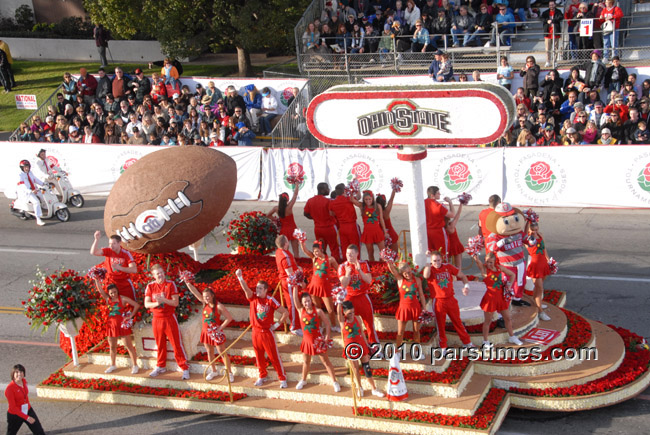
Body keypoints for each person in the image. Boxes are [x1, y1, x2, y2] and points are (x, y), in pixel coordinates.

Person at [235, 268, 289, 388]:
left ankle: (282, 378)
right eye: (257, 288)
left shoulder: (270, 300)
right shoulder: (253, 297)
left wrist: (277, 324)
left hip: (266, 332)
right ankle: (262, 375)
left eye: (260, 288)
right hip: (255, 332)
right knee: (259, 356)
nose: (257, 290)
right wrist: (240, 278)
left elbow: (285, 312)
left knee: (273, 356)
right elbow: (246, 290)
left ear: (265, 290)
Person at [144, 264, 190, 379]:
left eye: (161, 272)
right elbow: (146, 304)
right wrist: (157, 303)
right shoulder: (150, 286)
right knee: (160, 344)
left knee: (176, 343)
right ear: (153, 275)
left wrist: (164, 300)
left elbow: (175, 303)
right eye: (157, 273)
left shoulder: (170, 285)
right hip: (157, 319)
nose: (160, 275)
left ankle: (184, 367)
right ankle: (160, 365)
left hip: (169, 317)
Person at [183, 277, 234, 382]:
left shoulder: (219, 306)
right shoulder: (204, 303)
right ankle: (213, 370)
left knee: (221, 352)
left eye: (208, 296)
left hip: (215, 333)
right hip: (206, 333)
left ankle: (229, 373)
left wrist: (220, 328)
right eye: (204, 296)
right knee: (209, 351)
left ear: (212, 296)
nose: (206, 298)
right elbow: (196, 293)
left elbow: (229, 318)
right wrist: (187, 283)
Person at [422, 251, 474, 350]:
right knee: (441, 326)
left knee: (458, 322)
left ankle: (467, 342)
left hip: (451, 299)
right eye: (434, 261)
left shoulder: (448, 267)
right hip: (438, 301)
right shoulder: (430, 269)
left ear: (442, 259)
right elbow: (425, 275)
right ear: (431, 261)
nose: (437, 263)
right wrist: (428, 261)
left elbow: (463, 276)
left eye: (438, 260)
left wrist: (466, 286)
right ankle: (443, 347)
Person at [292, 286, 340, 391]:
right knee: (306, 361)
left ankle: (335, 382)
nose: (307, 303)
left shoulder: (318, 311)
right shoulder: (300, 311)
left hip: (318, 341)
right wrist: (294, 285)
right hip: (306, 341)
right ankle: (303, 380)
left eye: (308, 301)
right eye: (304, 302)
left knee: (326, 361)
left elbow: (327, 324)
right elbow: (295, 298)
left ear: (311, 300)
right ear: (302, 303)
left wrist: (327, 337)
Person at [473, 253, 523, 347]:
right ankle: (485, 342)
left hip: (501, 297)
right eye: (487, 262)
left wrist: (509, 286)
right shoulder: (484, 270)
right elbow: (478, 262)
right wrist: (475, 257)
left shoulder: (499, 267)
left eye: (491, 262)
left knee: (507, 318)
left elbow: (512, 274)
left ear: (495, 261)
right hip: (490, 299)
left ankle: (512, 336)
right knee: (488, 321)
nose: (489, 264)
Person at [337, 301, 384, 398]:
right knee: (355, 369)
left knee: (366, 367)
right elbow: (338, 313)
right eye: (349, 313)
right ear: (344, 313)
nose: (352, 315)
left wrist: (367, 345)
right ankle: (360, 387)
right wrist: (339, 301)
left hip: (361, 345)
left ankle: (373, 388)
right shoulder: (343, 321)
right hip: (351, 347)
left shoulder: (357, 318)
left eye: (353, 312)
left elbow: (362, 332)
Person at [92, 279, 140, 373]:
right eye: (111, 293)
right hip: (111, 326)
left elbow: (136, 305)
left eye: (115, 292)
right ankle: (113, 365)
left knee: (128, 346)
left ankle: (135, 365)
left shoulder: (123, 299)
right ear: (108, 293)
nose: (113, 294)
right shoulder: (108, 299)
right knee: (112, 346)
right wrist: (96, 280)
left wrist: (130, 316)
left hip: (122, 325)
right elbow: (100, 290)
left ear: (117, 291)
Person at [338, 244, 380, 346]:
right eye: (348, 254)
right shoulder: (342, 266)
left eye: (352, 254)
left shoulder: (364, 264)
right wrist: (347, 274)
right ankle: (352, 344)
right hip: (349, 298)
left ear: (357, 254)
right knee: (348, 323)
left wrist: (359, 270)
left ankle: (374, 345)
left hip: (362, 296)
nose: (349, 256)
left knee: (369, 323)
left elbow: (369, 280)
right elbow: (343, 284)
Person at [385, 260, 426, 348]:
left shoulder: (417, 280)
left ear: (411, 270)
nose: (407, 274)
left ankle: (417, 351)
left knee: (416, 331)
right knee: (400, 332)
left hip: (416, 308)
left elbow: (421, 295)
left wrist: (424, 308)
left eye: (408, 272)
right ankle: (398, 350)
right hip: (403, 309)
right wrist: (388, 261)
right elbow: (393, 270)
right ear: (402, 274)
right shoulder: (400, 280)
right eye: (405, 273)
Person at [300, 239, 339, 328]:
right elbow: (305, 250)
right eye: (314, 251)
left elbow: (339, 270)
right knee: (317, 309)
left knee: (330, 309)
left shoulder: (330, 259)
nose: (315, 253)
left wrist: (342, 280)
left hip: (325, 287)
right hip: (314, 287)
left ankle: (333, 325)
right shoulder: (314, 258)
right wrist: (301, 242)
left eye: (317, 251)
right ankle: (319, 326)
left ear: (322, 250)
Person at [90, 230, 137, 299]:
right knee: (114, 304)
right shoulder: (108, 251)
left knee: (130, 303)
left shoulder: (126, 253)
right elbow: (93, 252)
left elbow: (134, 269)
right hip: (112, 282)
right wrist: (96, 239)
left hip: (124, 283)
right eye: (110, 243)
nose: (111, 246)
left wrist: (120, 268)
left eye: (114, 243)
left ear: (119, 243)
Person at [304, 182, 340, 261]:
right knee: (334, 248)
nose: (329, 190)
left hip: (318, 228)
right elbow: (334, 213)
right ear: (323, 190)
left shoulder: (310, 201)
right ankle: (336, 266)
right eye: (327, 188)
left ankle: (322, 264)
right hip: (330, 228)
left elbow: (305, 213)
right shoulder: (328, 201)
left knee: (320, 248)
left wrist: (315, 218)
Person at [5, 364, 45, 435]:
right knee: (11, 433)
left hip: (27, 410)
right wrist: (27, 418)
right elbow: (13, 407)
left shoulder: (24, 381)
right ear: (13, 374)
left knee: (39, 431)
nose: (19, 374)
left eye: (21, 372)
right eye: (17, 372)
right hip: (15, 415)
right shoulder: (9, 389)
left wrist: (28, 414)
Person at [275, 235, 303, 334]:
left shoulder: (280, 252)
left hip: (287, 281)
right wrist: (300, 277)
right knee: (292, 304)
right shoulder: (285, 256)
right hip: (289, 283)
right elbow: (290, 274)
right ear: (286, 243)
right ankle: (294, 327)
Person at [525, 222, 552, 322]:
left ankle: (537, 302)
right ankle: (540, 311)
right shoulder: (527, 239)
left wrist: (548, 259)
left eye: (536, 229)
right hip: (535, 265)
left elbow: (544, 248)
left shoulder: (540, 235)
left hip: (543, 264)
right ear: (528, 230)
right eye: (532, 230)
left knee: (538, 287)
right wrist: (527, 222)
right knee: (540, 287)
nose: (534, 232)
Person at [349, 190, 386, 262]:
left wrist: (385, 231)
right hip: (367, 233)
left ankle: (383, 267)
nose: (368, 201)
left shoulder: (378, 206)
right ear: (363, 199)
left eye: (369, 199)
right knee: (370, 253)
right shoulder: (362, 206)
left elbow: (381, 219)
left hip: (377, 231)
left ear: (372, 198)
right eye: (366, 199)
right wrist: (353, 189)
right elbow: (352, 200)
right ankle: (373, 268)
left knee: (383, 252)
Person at [268, 183, 300, 258]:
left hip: (284, 230)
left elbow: (268, 215)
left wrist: (276, 219)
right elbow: (295, 195)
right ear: (287, 199)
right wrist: (297, 185)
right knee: (296, 252)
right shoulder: (289, 207)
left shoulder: (276, 208)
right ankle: (297, 264)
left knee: (285, 251)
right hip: (293, 229)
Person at [330, 184, 362, 254]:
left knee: (345, 247)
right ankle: (356, 263)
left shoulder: (333, 202)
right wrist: (357, 187)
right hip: (352, 226)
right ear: (344, 191)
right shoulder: (348, 199)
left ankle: (346, 263)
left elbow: (332, 214)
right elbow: (359, 197)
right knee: (355, 246)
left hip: (342, 227)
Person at [424, 186, 454, 255]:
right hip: (438, 232)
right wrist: (450, 202)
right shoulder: (439, 206)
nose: (439, 194)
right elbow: (452, 215)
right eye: (438, 193)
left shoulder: (423, 203)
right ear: (432, 195)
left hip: (427, 231)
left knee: (429, 253)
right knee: (442, 253)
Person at [16, 160, 46, 226]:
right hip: (26, 193)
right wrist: (30, 191)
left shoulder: (30, 173)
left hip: (34, 190)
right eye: (25, 167)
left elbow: (35, 179)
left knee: (44, 195)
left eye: (28, 167)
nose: (27, 168)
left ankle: (44, 207)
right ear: (22, 168)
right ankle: (38, 219)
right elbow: (22, 186)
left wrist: (43, 184)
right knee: (36, 202)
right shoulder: (20, 175)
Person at [541, 0, 563, 67]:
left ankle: (555, 61)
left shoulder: (558, 11)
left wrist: (553, 21)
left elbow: (561, 17)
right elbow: (542, 18)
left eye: (552, 5)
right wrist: (547, 21)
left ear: (555, 5)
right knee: (548, 49)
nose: (551, 6)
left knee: (555, 48)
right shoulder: (545, 12)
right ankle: (548, 61)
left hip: (555, 32)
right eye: (550, 5)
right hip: (548, 33)